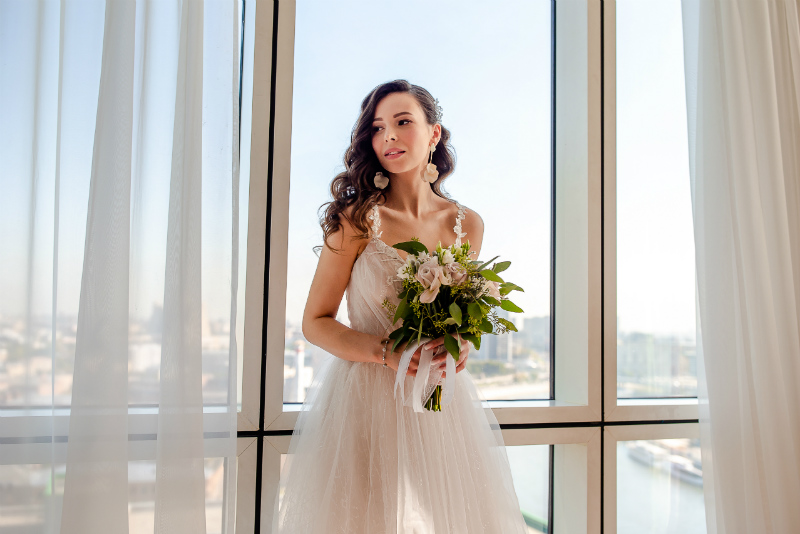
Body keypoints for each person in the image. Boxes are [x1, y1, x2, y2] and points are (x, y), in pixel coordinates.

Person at [275, 79, 528, 533]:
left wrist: (459, 342)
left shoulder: (466, 223)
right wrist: (383, 352)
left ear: (433, 134)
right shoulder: (356, 220)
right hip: (364, 400)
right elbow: (315, 322)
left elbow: (457, 311)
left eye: (402, 122)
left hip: (438, 399)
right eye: (377, 127)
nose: (388, 136)